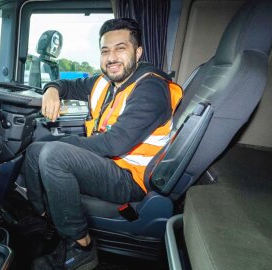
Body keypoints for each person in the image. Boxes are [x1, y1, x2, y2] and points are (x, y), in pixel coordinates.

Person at [24, 18, 182, 270]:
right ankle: (42, 217)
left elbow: (114, 143)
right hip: (108, 163)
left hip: (130, 176)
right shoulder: (104, 82)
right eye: (105, 51)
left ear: (138, 52)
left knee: (54, 153)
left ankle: (82, 246)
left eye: (121, 48)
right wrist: (52, 89)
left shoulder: (151, 88)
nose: (112, 57)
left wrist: (65, 144)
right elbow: (67, 85)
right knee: (34, 150)